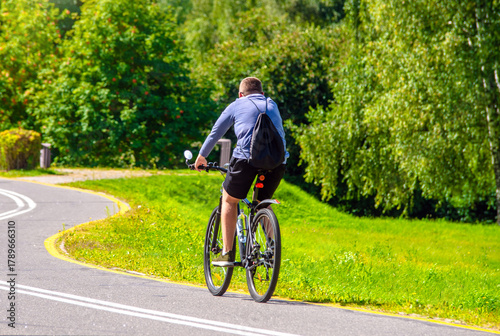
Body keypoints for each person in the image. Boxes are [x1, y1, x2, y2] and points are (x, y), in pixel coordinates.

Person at [194, 77, 289, 267]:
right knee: (262, 202)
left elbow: (216, 132)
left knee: (229, 199)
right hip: (277, 162)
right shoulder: (272, 104)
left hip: (246, 160)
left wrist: (202, 156)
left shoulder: (237, 105)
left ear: (241, 94)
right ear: (262, 93)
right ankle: (271, 248)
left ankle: (227, 252)